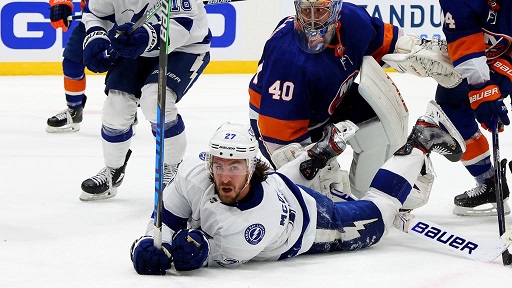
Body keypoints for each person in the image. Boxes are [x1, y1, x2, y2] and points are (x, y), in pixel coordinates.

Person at [128, 101, 464, 275]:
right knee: (279, 182)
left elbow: (205, 254)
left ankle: (422, 138)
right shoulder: (192, 172)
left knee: (379, 217)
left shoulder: (250, 226)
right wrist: (146, 242)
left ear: (250, 165)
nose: (224, 176)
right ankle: (314, 158)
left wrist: (193, 254)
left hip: (310, 224)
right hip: (279, 184)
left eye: (234, 167)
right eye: (219, 165)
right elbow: (166, 220)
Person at [248, 0, 421, 200]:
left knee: (381, 129)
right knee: (321, 197)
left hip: (331, 99)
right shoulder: (288, 58)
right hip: (276, 121)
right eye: (306, 11)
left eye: (320, 11)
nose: (312, 21)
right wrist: (311, 164)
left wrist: (418, 52)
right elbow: (279, 140)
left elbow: (392, 44)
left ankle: (373, 197)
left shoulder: (354, 21)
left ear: (336, 11)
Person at [79, 0, 211, 201]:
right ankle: (113, 171)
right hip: (137, 49)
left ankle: (173, 168)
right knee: (116, 107)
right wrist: (95, 35)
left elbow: (182, 25)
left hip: (183, 49)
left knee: (156, 101)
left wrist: (147, 36)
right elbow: (96, 13)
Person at [436, 0, 511, 215]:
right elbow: (465, 40)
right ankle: (490, 183)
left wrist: (507, 73)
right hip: (488, 57)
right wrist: (483, 89)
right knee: (450, 107)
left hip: (503, 58)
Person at [46, 0, 89, 133]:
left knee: (124, 63)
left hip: (128, 20)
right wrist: (61, 2)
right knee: (72, 62)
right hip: (92, 20)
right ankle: (74, 110)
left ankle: (127, 110)